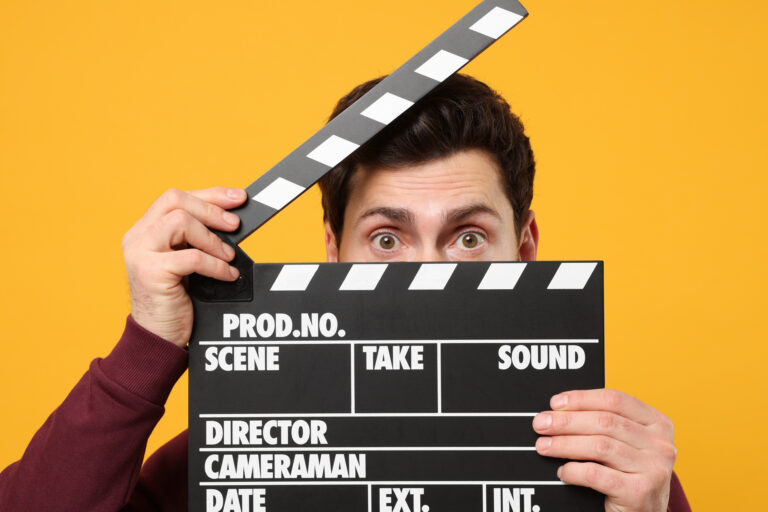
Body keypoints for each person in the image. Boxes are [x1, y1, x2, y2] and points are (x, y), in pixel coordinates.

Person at [0, 74, 691, 512]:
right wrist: (147, 344)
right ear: (334, 253)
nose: (430, 274)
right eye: (387, 239)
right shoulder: (232, 457)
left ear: (527, 249)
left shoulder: (607, 462)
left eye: (469, 238)